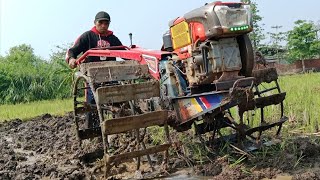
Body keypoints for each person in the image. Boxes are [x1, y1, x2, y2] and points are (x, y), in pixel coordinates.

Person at [66, 11, 123, 128]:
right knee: (92, 104)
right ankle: (94, 132)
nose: (103, 25)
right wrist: (71, 59)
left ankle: (119, 127)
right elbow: (72, 50)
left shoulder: (113, 39)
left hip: (111, 75)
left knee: (119, 98)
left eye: (106, 23)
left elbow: (124, 52)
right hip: (93, 76)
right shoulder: (87, 36)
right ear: (95, 23)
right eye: (100, 22)